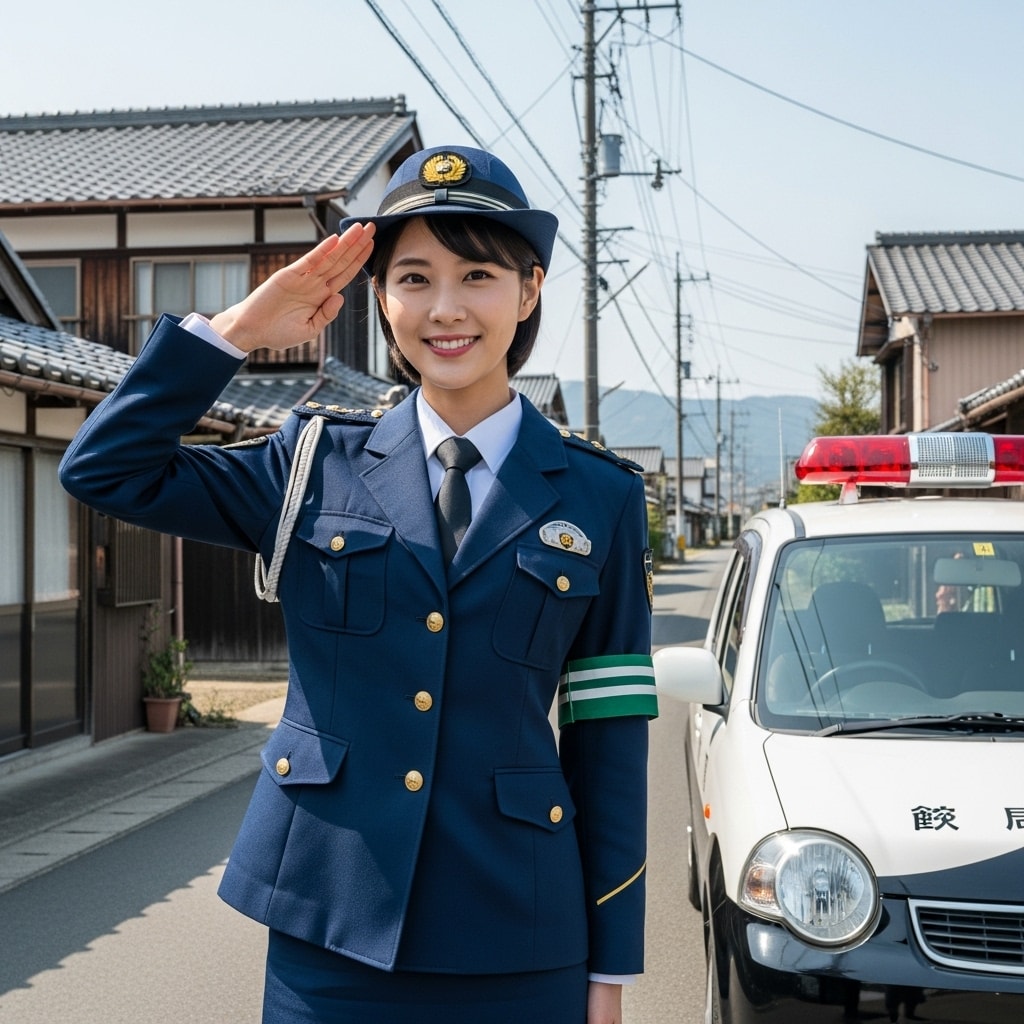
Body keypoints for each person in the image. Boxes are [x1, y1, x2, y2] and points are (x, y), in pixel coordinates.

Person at [59, 145, 658, 1024]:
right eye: (412, 278)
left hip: (521, 935)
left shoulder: (600, 496)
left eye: (478, 275)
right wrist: (237, 331)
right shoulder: (311, 460)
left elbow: (610, 742)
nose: (444, 309)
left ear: (529, 292)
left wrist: (611, 971)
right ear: (380, 298)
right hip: (329, 928)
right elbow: (106, 470)